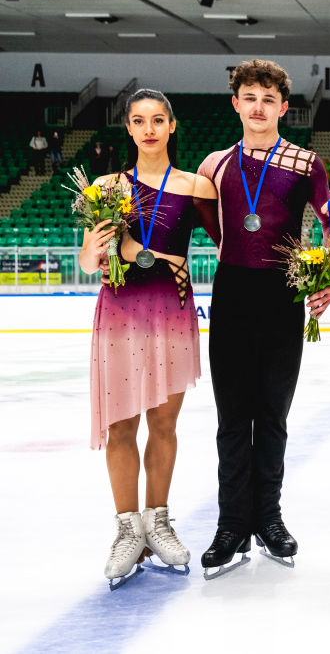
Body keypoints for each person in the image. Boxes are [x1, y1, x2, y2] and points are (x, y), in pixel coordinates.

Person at [197, 59, 330, 578]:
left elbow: (329, 222)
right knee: (232, 418)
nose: (258, 107)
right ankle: (231, 523)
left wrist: (321, 279)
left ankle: (269, 519)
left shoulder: (305, 163)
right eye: (249, 97)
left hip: (282, 295)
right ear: (236, 103)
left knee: (273, 414)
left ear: (282, 106)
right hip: (232, 291)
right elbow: (211, 222)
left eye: (268, 98)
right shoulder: (214, 165)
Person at [79, 89, 219, 588]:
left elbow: (229, 242)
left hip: (171, 313)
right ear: (129, 129)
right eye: (139, 121)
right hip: (118, 312)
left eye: (158, 119)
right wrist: (101, 253)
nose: (149, 129)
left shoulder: (197, 187)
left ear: (173, 126)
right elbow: (86, 260)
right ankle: (126, 530)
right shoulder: (106, 187)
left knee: (163, 424)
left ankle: (158, 522)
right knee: (121, 427)